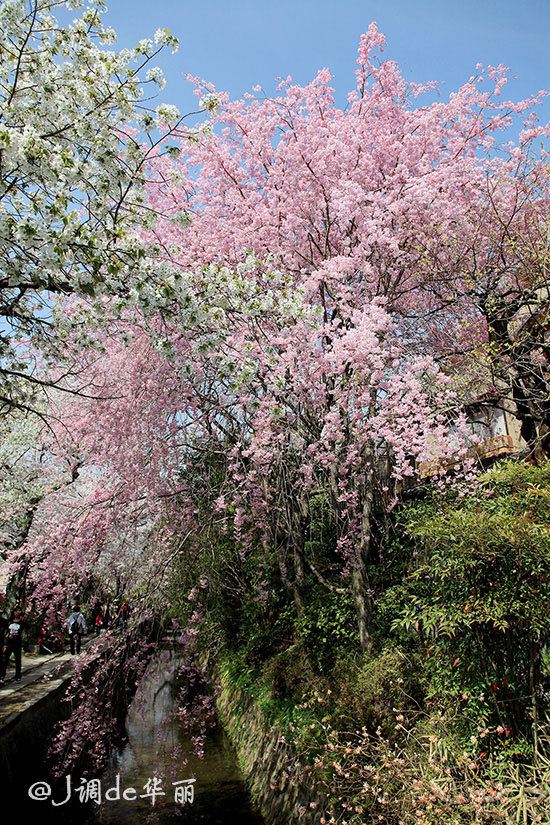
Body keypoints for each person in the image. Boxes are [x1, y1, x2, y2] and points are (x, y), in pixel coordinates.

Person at [4, 608, 23, 681]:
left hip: (17, 643)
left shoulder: (21, 622)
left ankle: (18, 676)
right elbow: (5, 631)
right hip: (9, 643)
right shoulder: (9, 621)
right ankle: (2, 675)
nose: (17, 612)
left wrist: (23, 621)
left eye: (18, 611)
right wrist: (7, 636)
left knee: (18, 660)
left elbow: (28, 627)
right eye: (16, 611)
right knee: (5, 659)